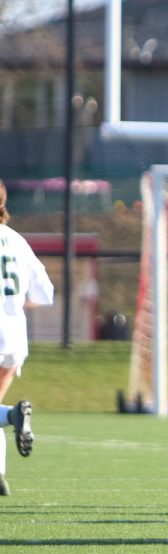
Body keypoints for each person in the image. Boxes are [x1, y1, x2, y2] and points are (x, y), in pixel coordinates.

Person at [0, 179, 54, 496]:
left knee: (2, 409)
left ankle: (12, 414)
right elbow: (44, 293)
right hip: (14, 336)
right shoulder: (16, 240)